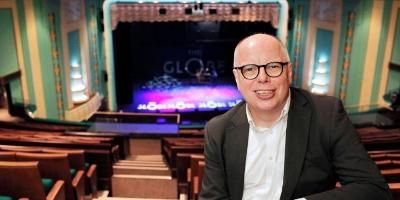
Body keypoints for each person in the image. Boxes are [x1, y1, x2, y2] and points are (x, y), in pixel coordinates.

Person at [199, 33, 392, 200]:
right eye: (249, 69)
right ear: (237, 78)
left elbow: (374, 190)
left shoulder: (327, 115)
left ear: (289, 72)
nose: (262, 78)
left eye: (273, 66)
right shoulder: (218, 130)